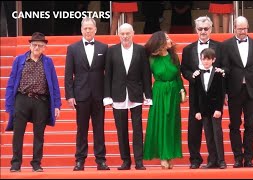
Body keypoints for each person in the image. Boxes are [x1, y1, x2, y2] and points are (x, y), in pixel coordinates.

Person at [5, 32, 61, 172]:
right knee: (18, 133)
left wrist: (57, 105)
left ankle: (36, 163)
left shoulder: (48, 62)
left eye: (40, 45)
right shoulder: (19, 60)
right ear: (30, 46)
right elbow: (11, 83)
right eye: (34, 45)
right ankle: (16, 163)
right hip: (22, 99)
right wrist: (9, 104)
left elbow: (54, 84)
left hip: (41, 101)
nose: (37, 47)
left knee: (39, 133)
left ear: (44, 48)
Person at [104, 23, 152, 170]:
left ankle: (139, 161)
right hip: (117, 95)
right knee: (121, 130)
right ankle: (125, 160)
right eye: (122, 33)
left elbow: (146, 74)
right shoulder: (111, 51)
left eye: (127, 33)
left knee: (138, 130)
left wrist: (148, 95)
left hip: (135, 94)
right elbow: (108, 75)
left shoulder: (141, 50)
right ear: (118, 34)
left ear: (133, 33)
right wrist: (107, 96)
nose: (125, 36)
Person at [65, 17, 109, 171]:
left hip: (99, 95)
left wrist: (108, 94)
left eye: (91, 28)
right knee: (81, 129)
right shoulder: (72, 48)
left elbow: (108, 74)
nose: (88, 31)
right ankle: (80, 160)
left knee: (99, 128)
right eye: (85, 28)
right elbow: (68, 73)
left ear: (95, 29)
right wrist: (70, 95)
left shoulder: (104, 48)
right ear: (81, 30)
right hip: (81, 95)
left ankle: (101, 160)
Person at [221, 16, 253, 168]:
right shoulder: (226, 45)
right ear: (234, 28)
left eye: (245, 28)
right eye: (240, 29)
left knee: (250, 125)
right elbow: (225, 70)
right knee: (234, 125)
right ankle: (238, 158)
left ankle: (249, 158)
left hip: (252, 90)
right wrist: (224, 92)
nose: (243, 32)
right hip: (234, 90)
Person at [181, 16, 223, 169]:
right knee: (194, 127)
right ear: (196, 30)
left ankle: (216, 159)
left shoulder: (220, 47)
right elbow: (184, 68)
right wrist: (190, 75)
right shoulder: (188, 49)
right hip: (196, 93)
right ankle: (195, 159)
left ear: (211, 29)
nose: (203, 31)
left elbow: (225, 66)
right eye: (200, 29)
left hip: (213, 94)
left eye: (206, 28)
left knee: (214, 128)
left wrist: (222, 72)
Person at [143, 31, 185, 169]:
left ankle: (169, 155)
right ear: (160, 41)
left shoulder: (174, 56)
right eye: (166, 38)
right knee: (160, 124)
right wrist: (147, 94)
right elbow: (145, 79)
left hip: (173, 92)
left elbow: (178, 76)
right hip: (159, 92)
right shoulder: (151, 58)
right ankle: (162, 155)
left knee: (171, 124)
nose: (170, 40)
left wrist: (182, 90)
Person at [192, 48, 226, 169]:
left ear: (213, 60)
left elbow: (221, 94)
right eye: (204, 59)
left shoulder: (218, 74)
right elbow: (195, 95)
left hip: (215, 110)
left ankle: (221, 160)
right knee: (208, 135)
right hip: (204, 110)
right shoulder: (196, 75)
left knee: (217, 134)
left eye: (208, 59)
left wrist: (219, 109)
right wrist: (196, 111)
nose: (206, 62)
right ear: (200, 60)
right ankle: (212, 160)